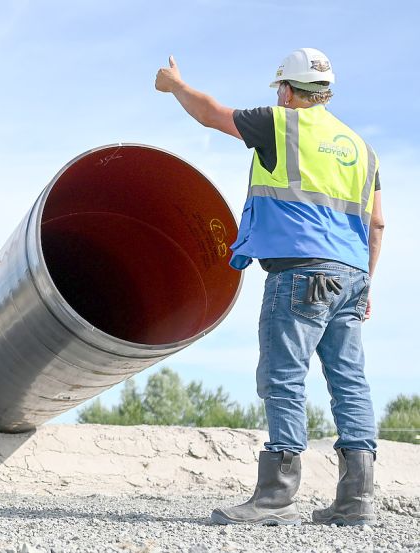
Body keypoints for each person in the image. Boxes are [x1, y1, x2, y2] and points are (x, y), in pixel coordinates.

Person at [154, 48, 384, 526]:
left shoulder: (282, 124)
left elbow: (211, 114)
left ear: (287, 91)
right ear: (324, 91)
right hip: (351, 275)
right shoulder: (363, 149)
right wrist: (365, 285)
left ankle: (275, 495)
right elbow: (377, 224)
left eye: (279, 89)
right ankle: (356, 501)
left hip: (300, 272)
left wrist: (174, 85)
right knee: (349, 381)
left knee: (283, 377)